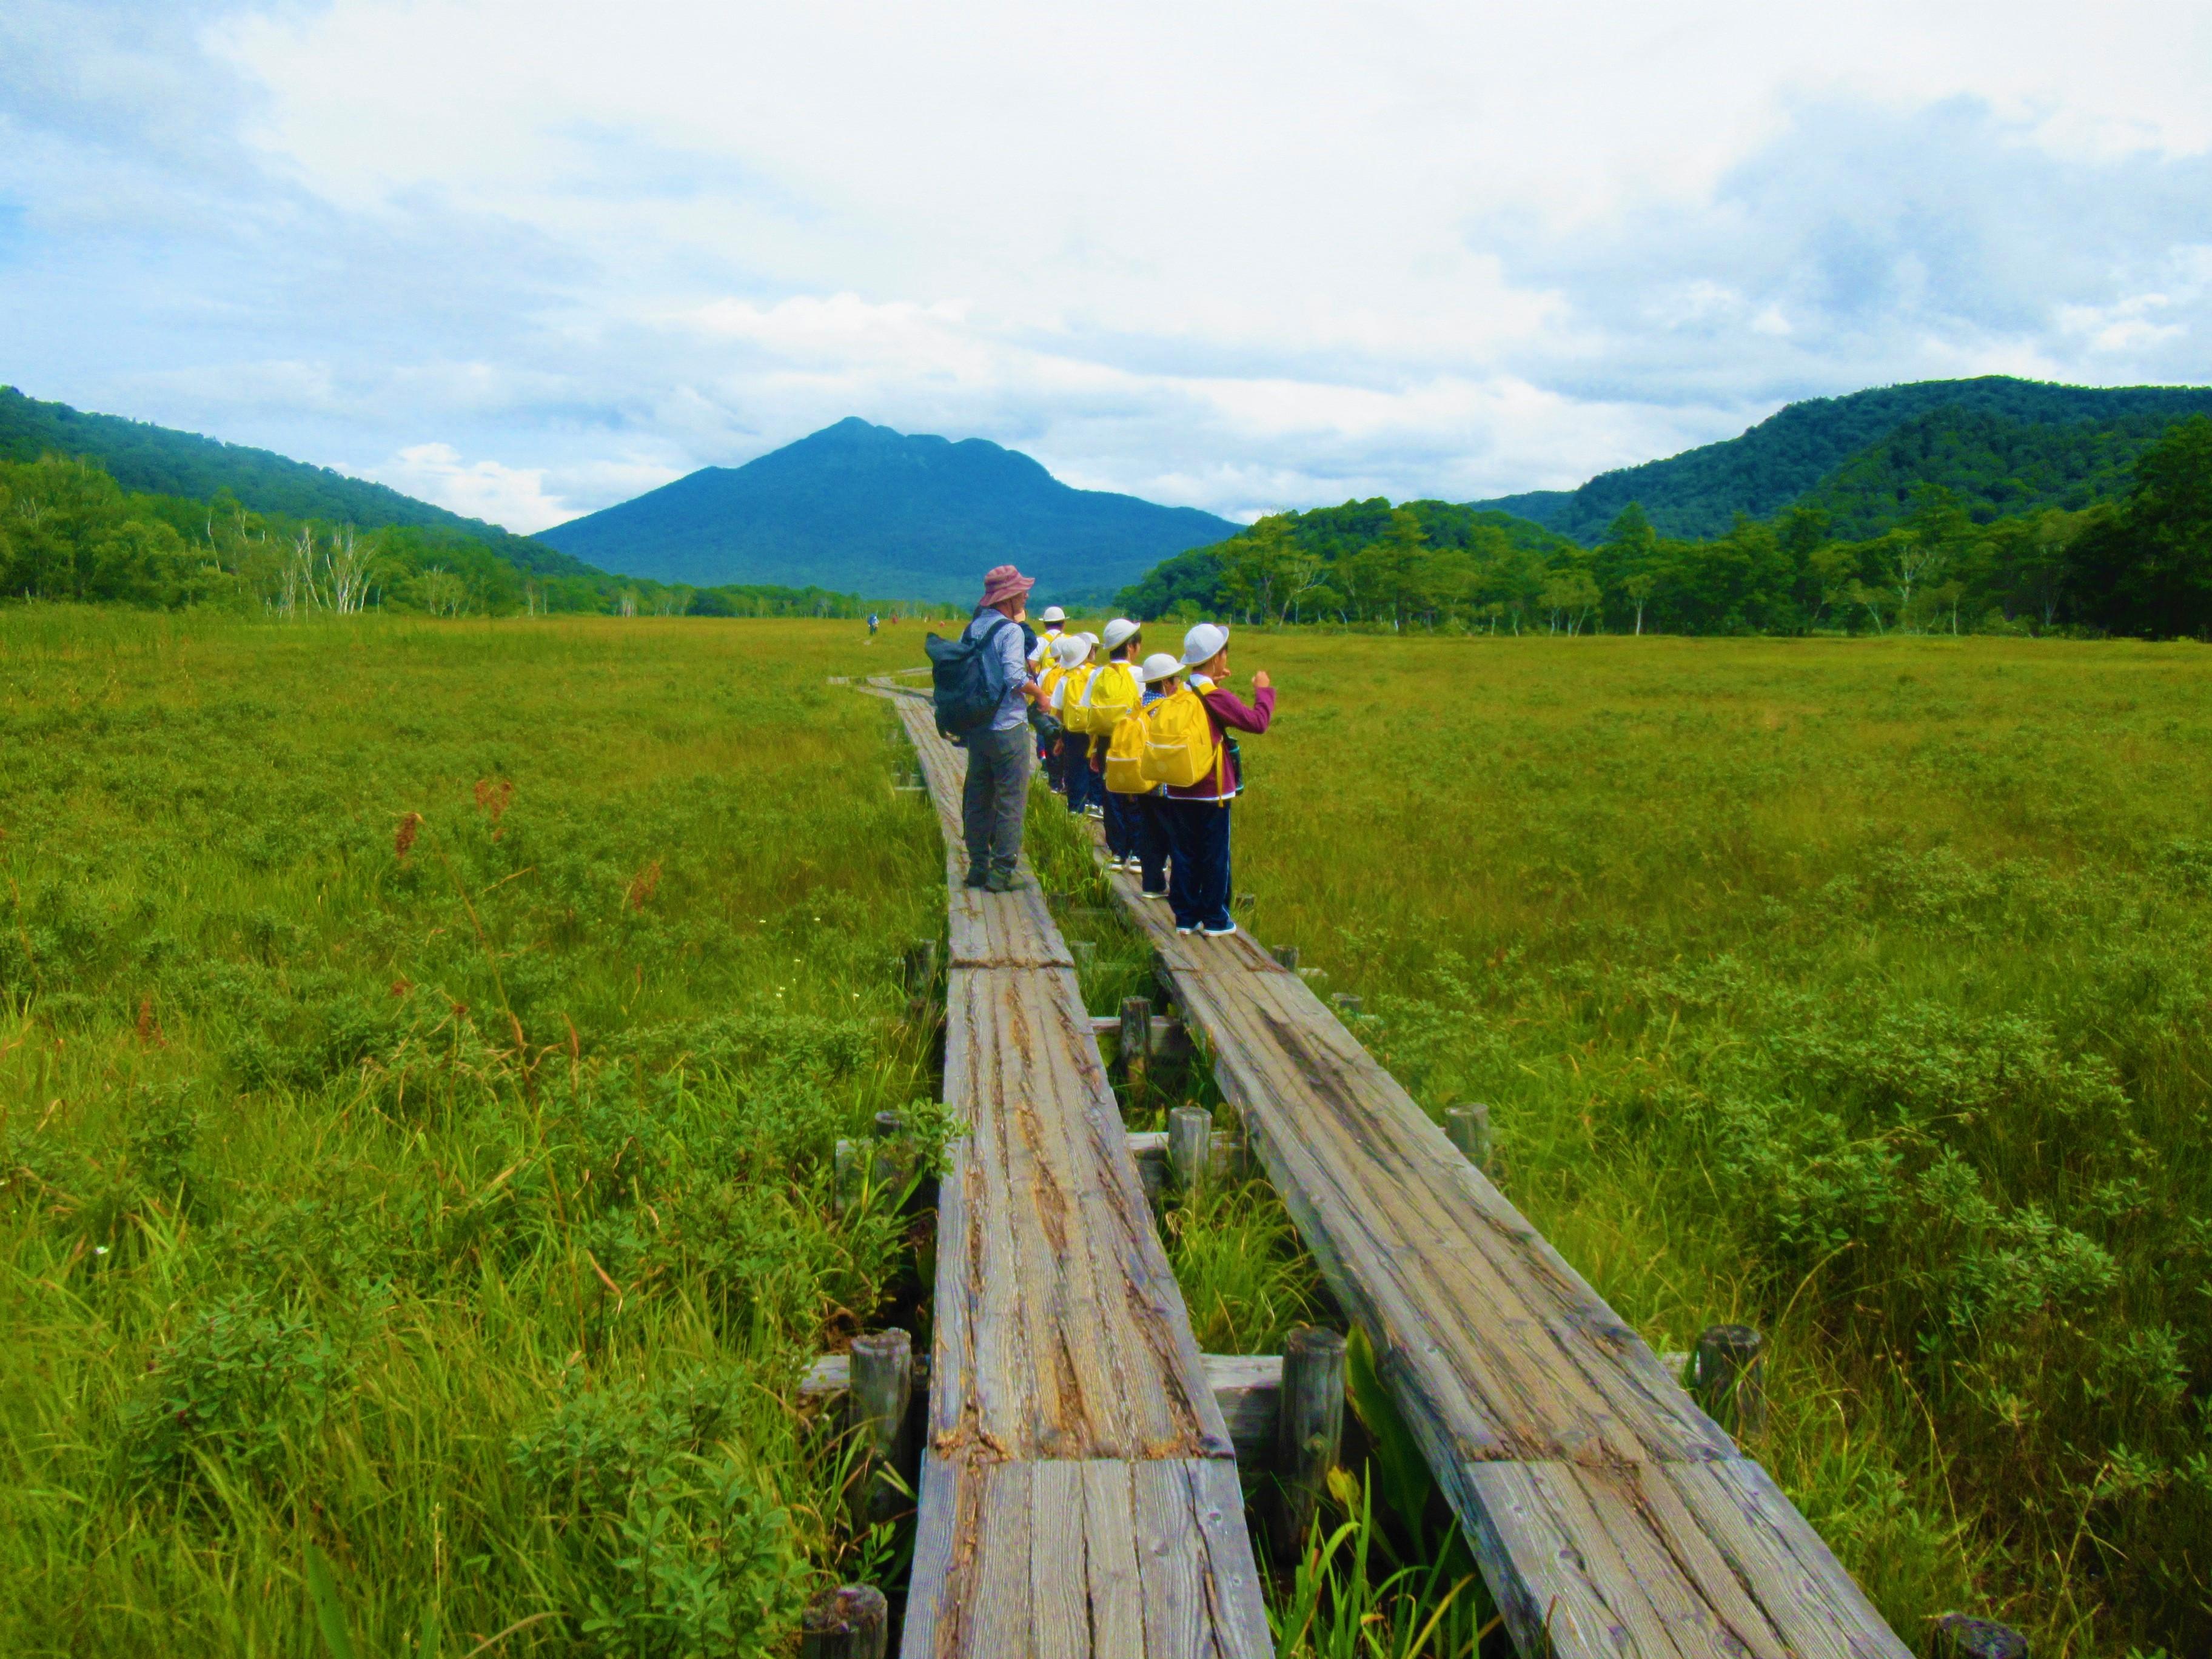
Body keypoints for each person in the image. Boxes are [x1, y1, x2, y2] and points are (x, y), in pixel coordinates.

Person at [1161, 623, 1273, 937]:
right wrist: (1263, 690)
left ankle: (1186, 918)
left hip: (1178, 786)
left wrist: (1212, 681)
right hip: (1213, 790)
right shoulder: (1217, 697)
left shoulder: (1180, 692)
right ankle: (1215, 919)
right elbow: (1258, 722)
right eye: (1224, 652)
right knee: (1214, 855)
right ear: (1216, 658)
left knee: (1183, 854)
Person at [959, 566, 1042, 892]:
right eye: (1021, 591)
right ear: (1007, 597)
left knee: (978, 798)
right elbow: (1014, 677)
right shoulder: (1011, 631)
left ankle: (978, 866)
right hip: (1008, 727)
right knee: (1010, 801)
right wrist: (1041, 695)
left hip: (978, 729)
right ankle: (1002, 872)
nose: (1026, 595)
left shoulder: (972, 629)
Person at [1130, 650, 1182, 897]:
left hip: (1141, 780)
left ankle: (1152, 884)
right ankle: (1179, 887)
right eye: (1176, 679)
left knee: (1149, 832)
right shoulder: (1167, 708)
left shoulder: (1137, 706)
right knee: (1175, 835)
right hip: (1165, 783)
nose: (1178, 684)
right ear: (1166, 682)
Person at [1086, 618, 1142, 840]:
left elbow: (1090, 711)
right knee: (1135, 791)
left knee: (1110, 791)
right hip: (1133, 741)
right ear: (1130, 647)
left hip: (1105, 741)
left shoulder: (1097, 674)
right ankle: (1136, 848)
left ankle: (1117, 848)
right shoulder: (1140, 674)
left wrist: (1093, 748)